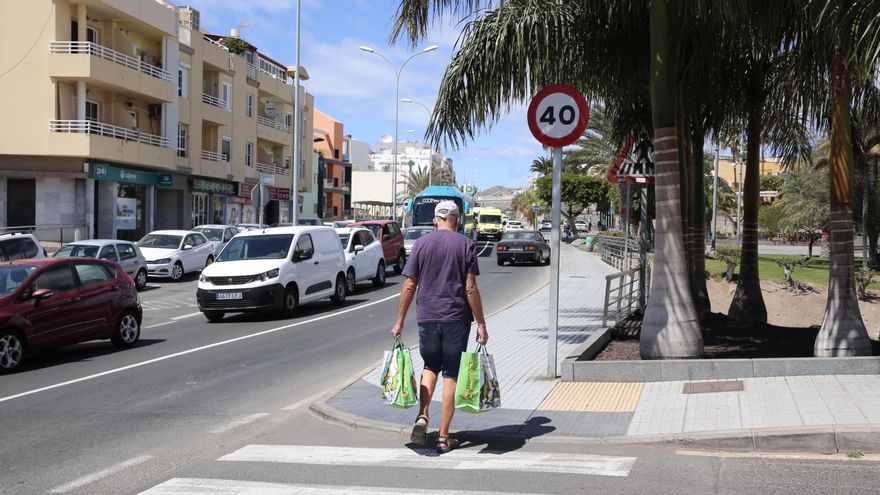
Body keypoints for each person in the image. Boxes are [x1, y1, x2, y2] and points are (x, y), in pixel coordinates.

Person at [391, 200, 488, 454]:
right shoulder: (466, 245)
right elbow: (470, 288)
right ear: (457, 220)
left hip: (427, 317)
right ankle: (444, 437)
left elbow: (409, 285)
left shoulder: (421, 244)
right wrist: (481, 323)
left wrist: (399, 321)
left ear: (435, 220)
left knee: (430, 366)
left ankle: (423, 416)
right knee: (451, 375)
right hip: (456, 318)